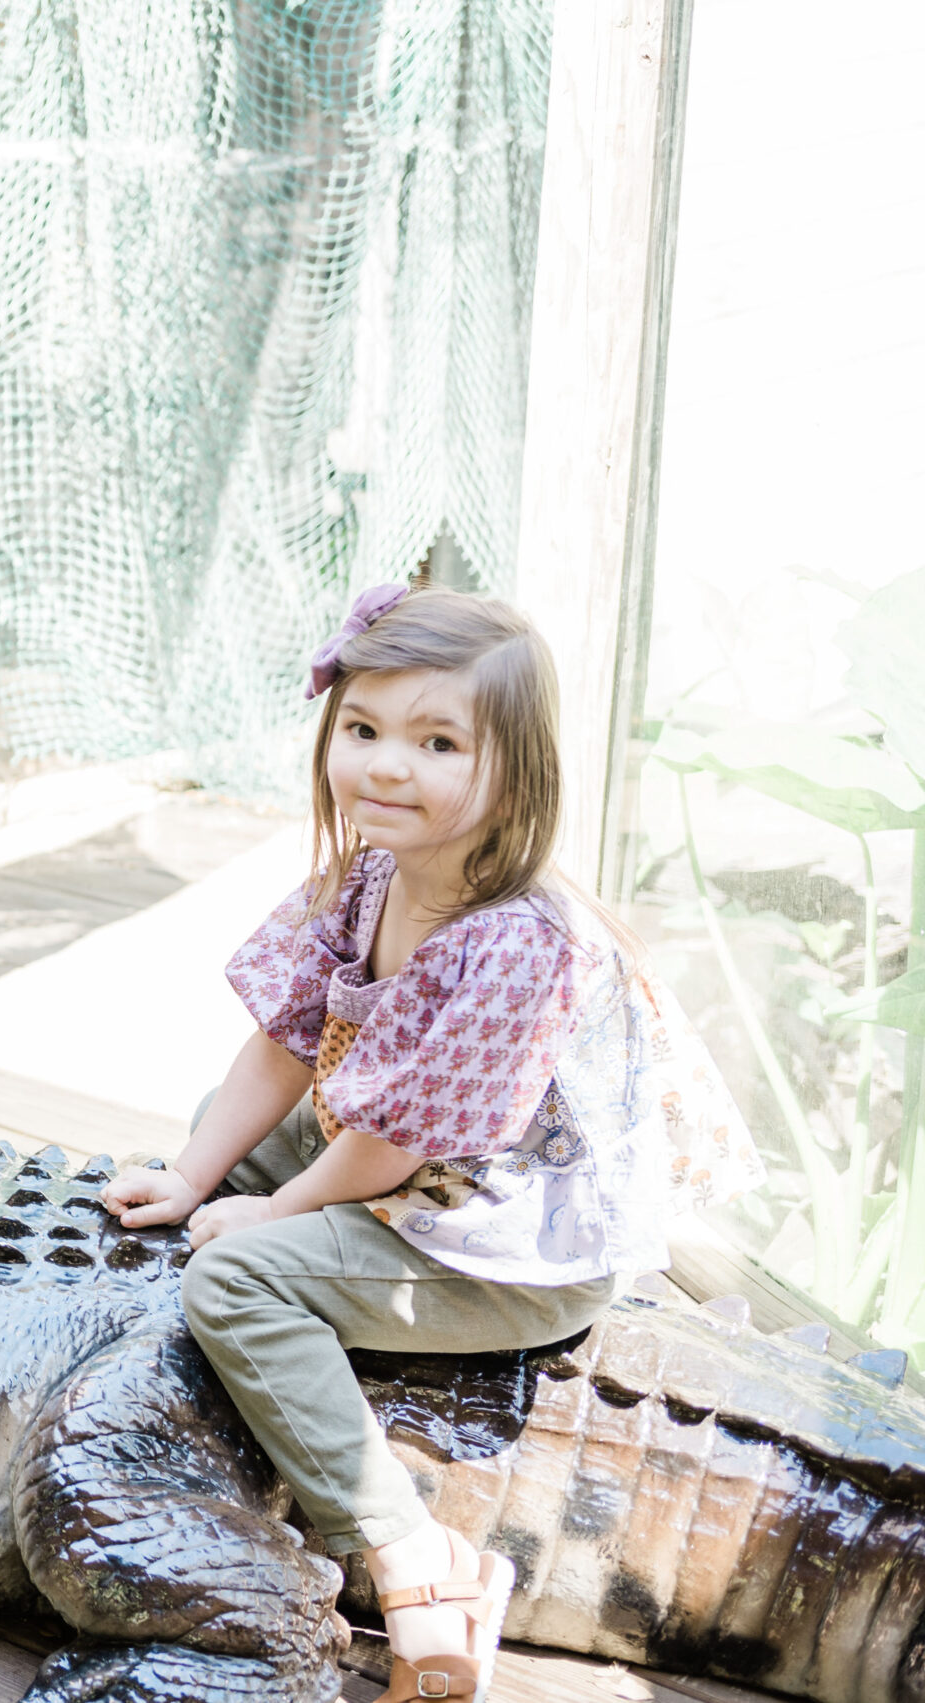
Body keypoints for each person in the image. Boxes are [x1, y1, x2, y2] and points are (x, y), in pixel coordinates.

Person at [101, 583, 761, 1703]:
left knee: (231, 1282)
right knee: (216, 1170)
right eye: (362, 729)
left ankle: (417, 1556)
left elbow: (393, 1145)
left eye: (436, 740)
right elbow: (281, 1042)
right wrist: (193, 1173)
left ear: (517, 768)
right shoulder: (371, 873)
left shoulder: (515, 942)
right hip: (408, 1159)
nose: (384, 766)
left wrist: (263, 1215)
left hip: (502, 1239)